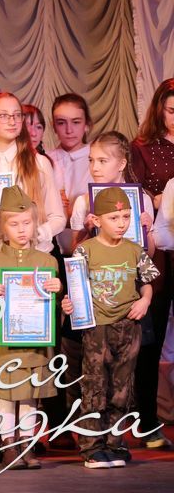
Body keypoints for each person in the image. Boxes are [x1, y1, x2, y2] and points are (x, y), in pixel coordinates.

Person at [62, 187, 160, 468]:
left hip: (127, 325)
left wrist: (145, 300)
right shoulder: (85, 250)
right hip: (97, 327)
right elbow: (75, 288)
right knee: (95, 386)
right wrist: (68, 304)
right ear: (97, 220)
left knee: (122, 387)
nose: (121, 223)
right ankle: (92, 447)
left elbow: (147, 283)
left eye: (126, 217)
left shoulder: (134, 250)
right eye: (114, 217)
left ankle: (115, 443)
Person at [0, 186, 63, 470]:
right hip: (6, 344)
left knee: (30, 395)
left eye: (27, 223)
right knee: (6, 394)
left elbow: (56, 306)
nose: (22, 230)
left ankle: (27, 443)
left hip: (36, 342)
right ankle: (8, 445)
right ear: (3, 228)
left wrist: (58, 289)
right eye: (14, 224)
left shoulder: (47, 261)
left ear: (35, 223)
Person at [130, 78, 174, 449]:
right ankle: (147, 420)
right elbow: (134, 195)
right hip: (160, 251)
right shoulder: (143, 147)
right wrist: (158, 200)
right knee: (151, 337)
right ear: (159, 109)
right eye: (172, 110)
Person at [0, 93, 65, 253]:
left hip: (34, 254)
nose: (12, 121)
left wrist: (34, 234)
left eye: (17, 115)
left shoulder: (39, 163)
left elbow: (58, 218)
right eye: (3, 116)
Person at [50, 94, 92, 214]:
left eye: (76, 122)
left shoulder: (99, 160)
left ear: (86, 125)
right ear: (54, 126)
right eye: (61, 123)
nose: (69, 130)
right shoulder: (45, 160)